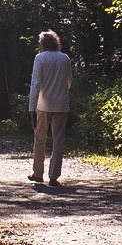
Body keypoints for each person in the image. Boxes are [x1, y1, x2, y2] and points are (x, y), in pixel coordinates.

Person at [27, 29, 72, 186]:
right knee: (58, 140)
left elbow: (36, 83)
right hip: (61, 104)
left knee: (40, 138)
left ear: (43, 44)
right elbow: (69, 81)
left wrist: (31, 106)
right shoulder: (65, 58)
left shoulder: (40, 58)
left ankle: (38, 173)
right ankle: (54, 176)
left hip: (43, 104)